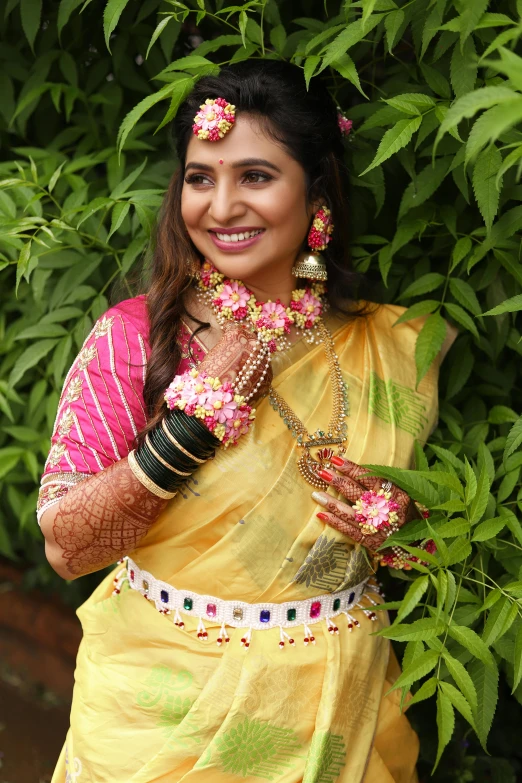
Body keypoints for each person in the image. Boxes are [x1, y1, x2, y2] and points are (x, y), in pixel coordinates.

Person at [39, 60, 456, 783]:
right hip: (163, 720)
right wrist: (187, 429)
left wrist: (398, 530)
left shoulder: (397, 343)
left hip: (338, 712)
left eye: (256, 176)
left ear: (316, 194)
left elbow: (432, 559)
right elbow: (67, 548)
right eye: (201, 178)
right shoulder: (138, 339)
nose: (222, 205)